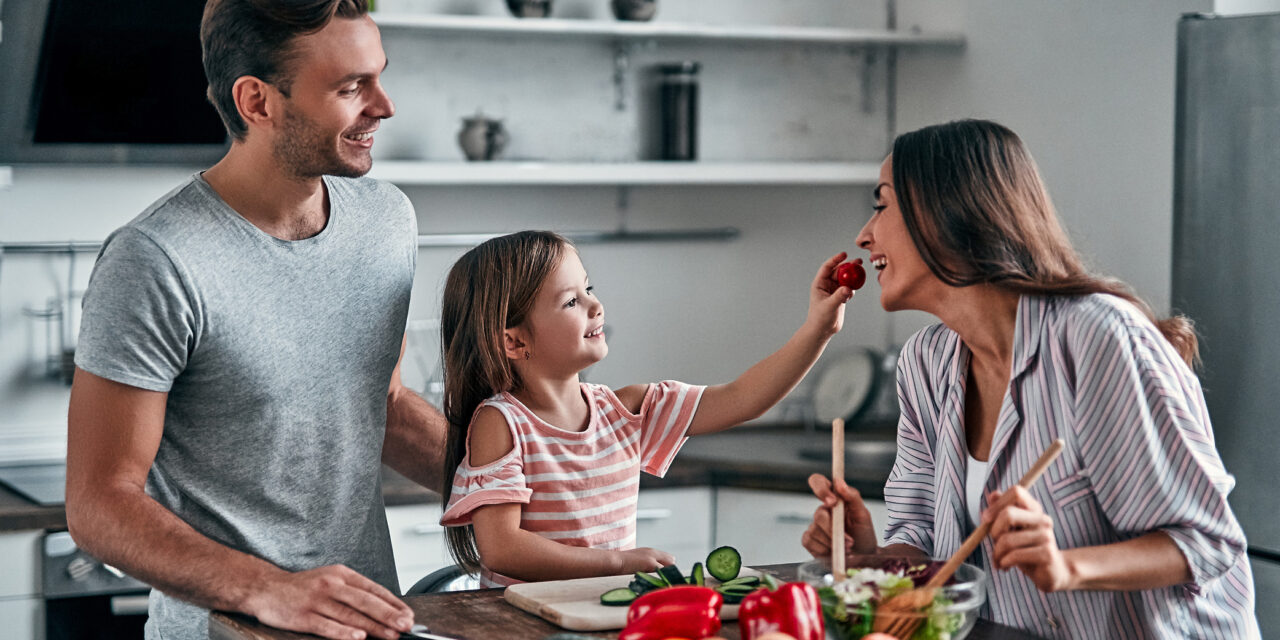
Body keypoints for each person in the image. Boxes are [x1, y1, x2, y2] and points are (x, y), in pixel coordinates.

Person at [65, 2, 447, 640]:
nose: (384, 105)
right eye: (351, 87)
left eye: (378, 76)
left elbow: (381, 403)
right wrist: (269, 590)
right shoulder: (155, 259)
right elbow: (99, 503)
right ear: (257, 102)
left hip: (368, 622)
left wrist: (528, 484)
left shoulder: (387, 221)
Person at [801, 120, 1259, 638]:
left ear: (945, 214)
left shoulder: (1094, 339)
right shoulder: (925, 364)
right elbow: (923, 548)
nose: (865, 235)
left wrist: (1065, 568)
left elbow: (1207, 542)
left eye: (882, 204)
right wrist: (872, 557)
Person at [436, 231, 854, 587]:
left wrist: (818, 329)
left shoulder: (628, 411)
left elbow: (744, 398)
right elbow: (502, 549)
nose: (595, 306)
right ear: (514, 342)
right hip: (522, 624)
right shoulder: (501, 422)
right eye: (570, 302)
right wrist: (619, 564)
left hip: (603, 618)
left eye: (590, 289)